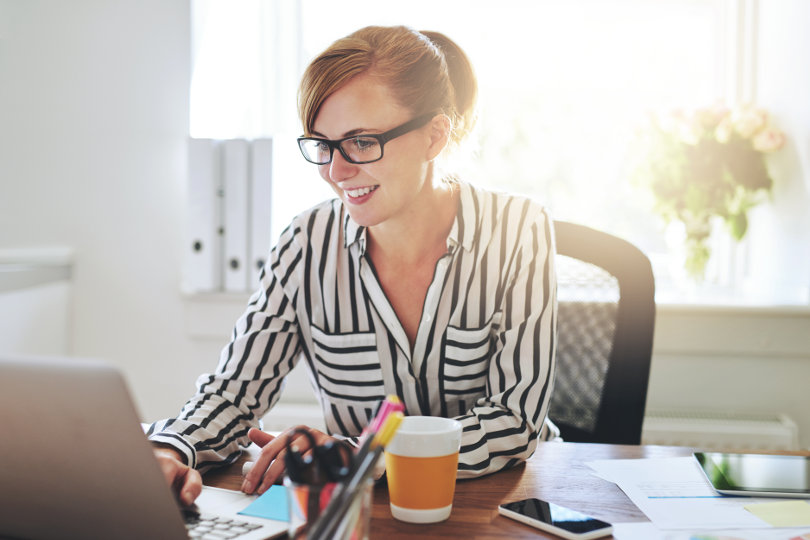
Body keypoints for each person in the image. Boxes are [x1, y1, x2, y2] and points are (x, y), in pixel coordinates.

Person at [149, 24, 557, 506]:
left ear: (434, 135)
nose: (336, 172)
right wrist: (167, 449)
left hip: (496, 507)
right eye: (322, 145)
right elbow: (233, 393)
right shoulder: (306, 242)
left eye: (361, 142)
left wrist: (362, 455)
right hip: (361, 514)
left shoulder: (517, 228)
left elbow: (515, 419)